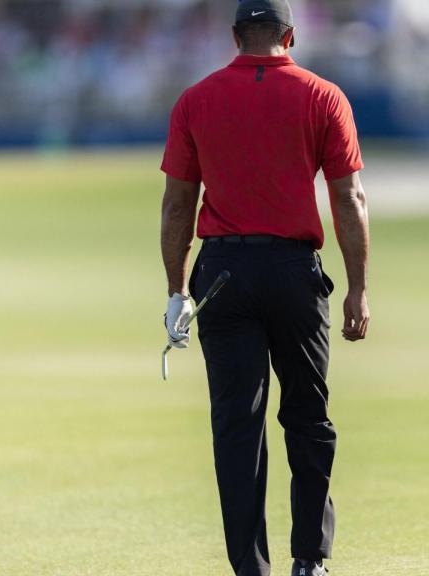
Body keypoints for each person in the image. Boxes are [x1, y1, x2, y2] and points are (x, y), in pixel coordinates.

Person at [159, 1, 370, 575]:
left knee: (237, 425)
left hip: (223, 273)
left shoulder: (196, 100)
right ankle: (310, 559)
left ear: (234, 36)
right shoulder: (324, 97)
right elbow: (348, 199)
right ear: (291, 35)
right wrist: (357, 288)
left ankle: (251, 568)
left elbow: (178, 206)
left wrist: (177, 291)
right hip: (293, 273)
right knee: (307, 415)